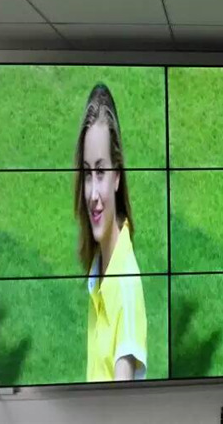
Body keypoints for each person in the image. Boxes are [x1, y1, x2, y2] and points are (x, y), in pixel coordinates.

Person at [74, 83, 147, 381]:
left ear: (117, 176)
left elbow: (122, 403)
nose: (92, 193)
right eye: (87, 173)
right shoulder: (101, 269)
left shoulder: (124, 286)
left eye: (101, 172)